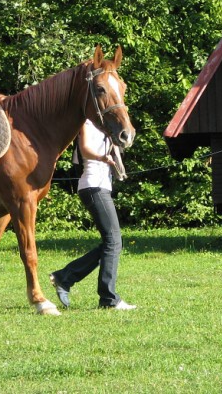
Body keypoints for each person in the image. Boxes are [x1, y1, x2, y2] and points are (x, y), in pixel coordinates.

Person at [49, 119, 136, 310]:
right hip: (93, 186)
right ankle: (108, 299)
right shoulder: (87, 122)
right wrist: (102, 157)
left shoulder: (107, 126)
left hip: (100, 186)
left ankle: (64, 277)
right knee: (114, 241)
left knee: (110, 243)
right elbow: (86, 149)